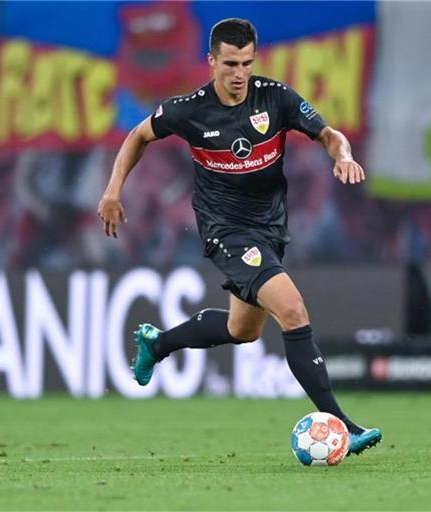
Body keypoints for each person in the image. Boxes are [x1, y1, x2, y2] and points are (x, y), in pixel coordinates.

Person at [97, 18, 381, 456]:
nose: (239, 73)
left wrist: (342, 154)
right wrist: (113, 190)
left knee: (241, 329)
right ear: (211, 61)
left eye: (247, 63)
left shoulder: (276, 98)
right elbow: (138, 135)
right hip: (225, 231)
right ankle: (343, 423)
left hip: (269, 229)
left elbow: (327, 134)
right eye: (230, 63)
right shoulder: (190, 109)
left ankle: (158, 342)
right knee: (292, 309)